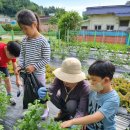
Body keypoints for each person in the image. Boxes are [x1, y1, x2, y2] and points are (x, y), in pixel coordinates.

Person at [60, 60, 120, 130]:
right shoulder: (94, 90)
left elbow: (96, 117)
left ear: (106, 80)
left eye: (94, 80)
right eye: (90, 79)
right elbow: (86, 105)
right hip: (89, 126)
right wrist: (85, 118)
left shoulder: (112, 99)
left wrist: (72, 121)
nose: (90, 82)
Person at [15, 9, 50, 118]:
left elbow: (46, 59)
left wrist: (34, 67)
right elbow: (22, 55)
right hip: (27, 74)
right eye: (22, 29)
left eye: (25, 28)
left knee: (41, 93)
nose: (24, 31)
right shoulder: (25, 40)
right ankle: (29, 110)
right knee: (28, 93)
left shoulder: (43, 41)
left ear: (34, 24)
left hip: (38, 74)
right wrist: (20, 65)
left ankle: (46, 109)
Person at [0, 41, 21, 105]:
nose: (12, 58)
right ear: (6, 49)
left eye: (14, 57)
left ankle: (9, 96)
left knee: (7, 79)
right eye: (12, 57)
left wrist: (18, 79)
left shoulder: (12, 51)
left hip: (3, 65)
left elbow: (15, 65)